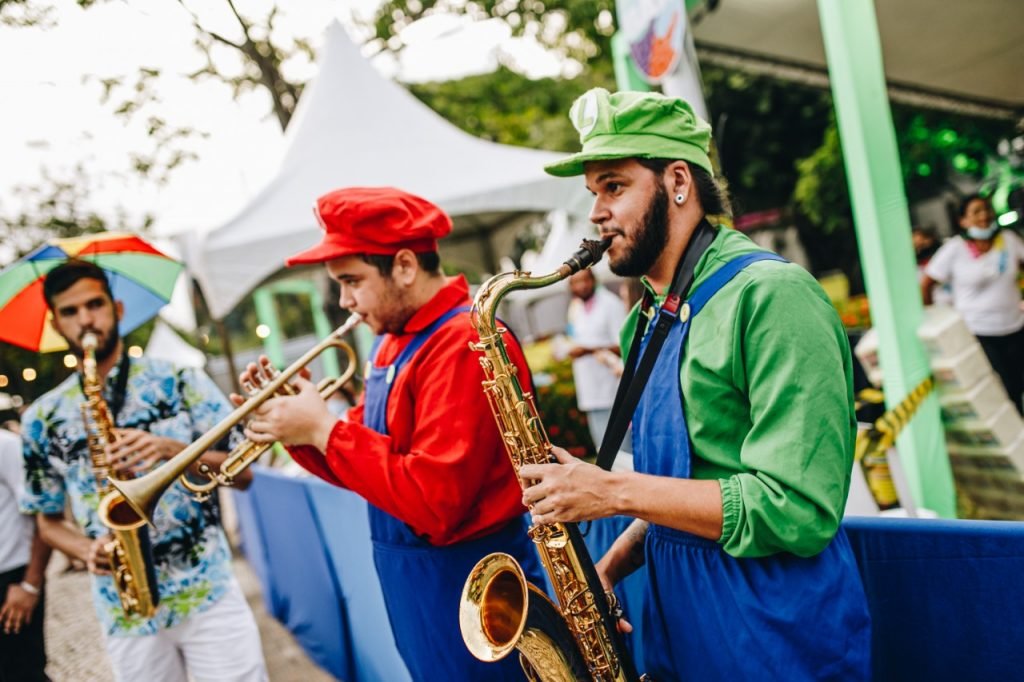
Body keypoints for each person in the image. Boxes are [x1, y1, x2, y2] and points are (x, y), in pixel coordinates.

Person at [519, 88, 872, 680]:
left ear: (678, 180)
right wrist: (607, 568)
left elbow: (798, 508)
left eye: (614, 186)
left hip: (770, 627)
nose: (596, 214)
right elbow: (685, 487)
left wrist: (614, 491)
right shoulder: (647, 315)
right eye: (593, 193)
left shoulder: (774, 296)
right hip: (675, 619)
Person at [237, 186, 544, 682]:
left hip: (472, 584)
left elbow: (435, 501)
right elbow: (371, 464)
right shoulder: (392, 342)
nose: (345, 302)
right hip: (420, 586)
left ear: (403, 265)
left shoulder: (462, 340)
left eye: (351, 281)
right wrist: (297, 427)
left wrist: (323, 429)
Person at [20, 259, 267, 682]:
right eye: (70, 311)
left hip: (206, 591)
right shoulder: (43, 418)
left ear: (117, 309)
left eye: (94, 304)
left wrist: (173, 451)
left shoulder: (180, 380)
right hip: (125, 610)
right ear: (56, 322)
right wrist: (85, 550)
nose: (85, 319)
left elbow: (243, 474)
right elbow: (48, 522)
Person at [922, 194, 1024, 414]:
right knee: (1005, 389)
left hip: (1015, 326)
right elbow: (927, 283)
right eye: (976, 212)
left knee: (1019, 381)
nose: (984, 215)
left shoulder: (1007, 240)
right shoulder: (955, 249)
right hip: (979, 331)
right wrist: (934, 319)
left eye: (986, 209)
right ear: (963, 221)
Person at [1, 427, 51, 682]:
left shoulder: (6, 446)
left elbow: (44, 515)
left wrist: (30, 585)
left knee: (21, 674)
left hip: (11, 582)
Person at [565, 268, 628, 449]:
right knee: (603, 452)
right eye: (575, 282)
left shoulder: (610, 304)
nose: (581, 286)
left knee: (622, 452)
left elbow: (624, 345)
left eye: (585, 280)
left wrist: (587, 350)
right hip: (590, 393)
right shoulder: (576, 308)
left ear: (594, 280)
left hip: (612, 392)